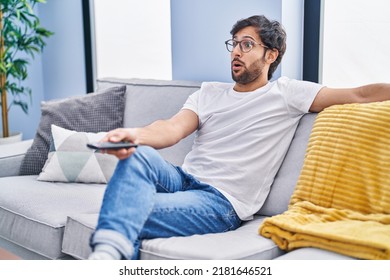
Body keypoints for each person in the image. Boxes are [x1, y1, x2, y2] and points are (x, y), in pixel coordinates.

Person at [88, 15, 390, 260]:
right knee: (138, 154)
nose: (236, 51)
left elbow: (358, 94)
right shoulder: (208, 92)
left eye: (247, 44)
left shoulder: (286, 93)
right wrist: (134, 135)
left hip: (220, 202)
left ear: (270, 55)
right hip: (181, 179)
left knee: (125, 206)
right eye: (234, 44)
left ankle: (106, 256)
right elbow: (171, 129)